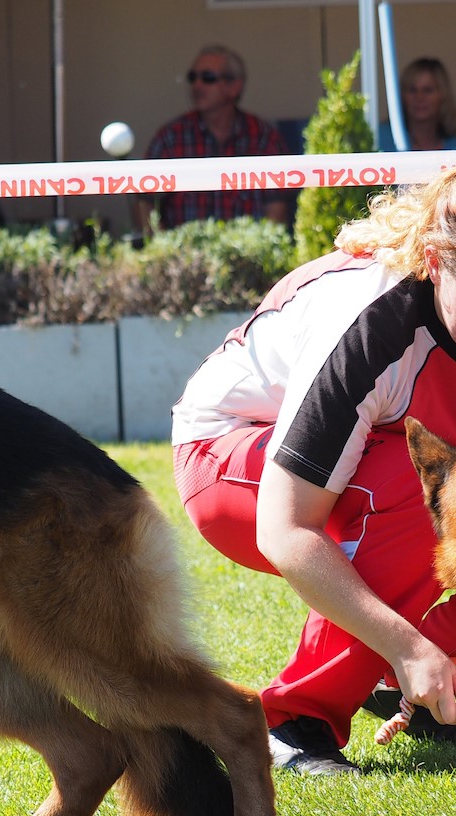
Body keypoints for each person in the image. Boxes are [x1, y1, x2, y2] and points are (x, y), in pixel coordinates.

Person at [170, 169, 456, 776]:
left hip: (365, 454)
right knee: (421, 488)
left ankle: (413, 682)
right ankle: (296, 722)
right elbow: (285, 530)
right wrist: (407, 646)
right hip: (228, 456)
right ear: (434, 261)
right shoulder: (370, 322)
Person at [133, 45, 290, 232]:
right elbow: (145, 203)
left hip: (248, 257)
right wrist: (163, 249)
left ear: (234, 87)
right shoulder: (170, 137)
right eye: (193, 78)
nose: (197, 86)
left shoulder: (264, 137)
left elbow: (277, 212)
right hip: (183, 259)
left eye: (207, 78)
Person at [377, 57, 456, 153]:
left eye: (427, 90)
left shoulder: (453, 143)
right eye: (412, 90)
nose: (419, 98)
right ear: (402, 95)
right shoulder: (379, 139)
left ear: (443, 95)